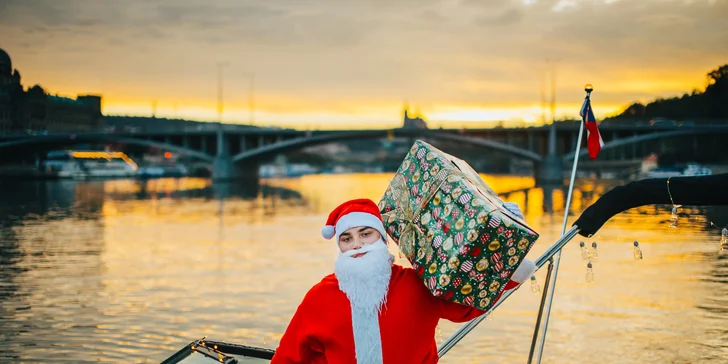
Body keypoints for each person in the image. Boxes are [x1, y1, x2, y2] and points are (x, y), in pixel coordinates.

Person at [271, 198, 536, 364]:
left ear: (383, 240)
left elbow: (469, 304)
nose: (357, 245)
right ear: (339, 246)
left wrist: (502, 240)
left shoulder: (416, 284)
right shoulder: (320, 296)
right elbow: (290, 356)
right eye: (347, 238)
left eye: (365, 234)